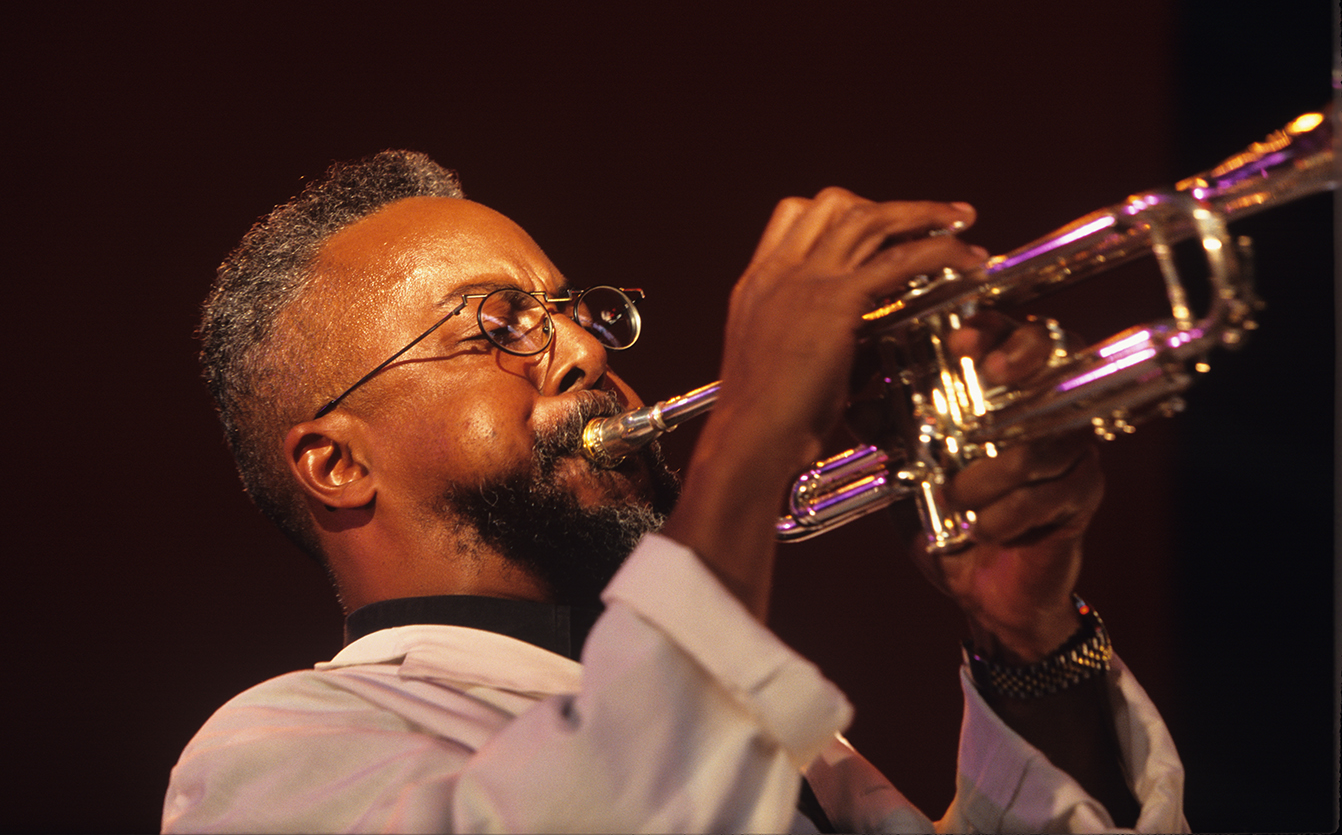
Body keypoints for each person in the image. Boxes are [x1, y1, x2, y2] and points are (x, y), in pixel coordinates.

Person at [162, 150, 1186, 833]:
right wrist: (754, 430)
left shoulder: (785, 746)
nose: (582, 349)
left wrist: (1028, 640)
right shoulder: (274, 755)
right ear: (337, 463)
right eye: (499, 324)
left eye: (575, 311)